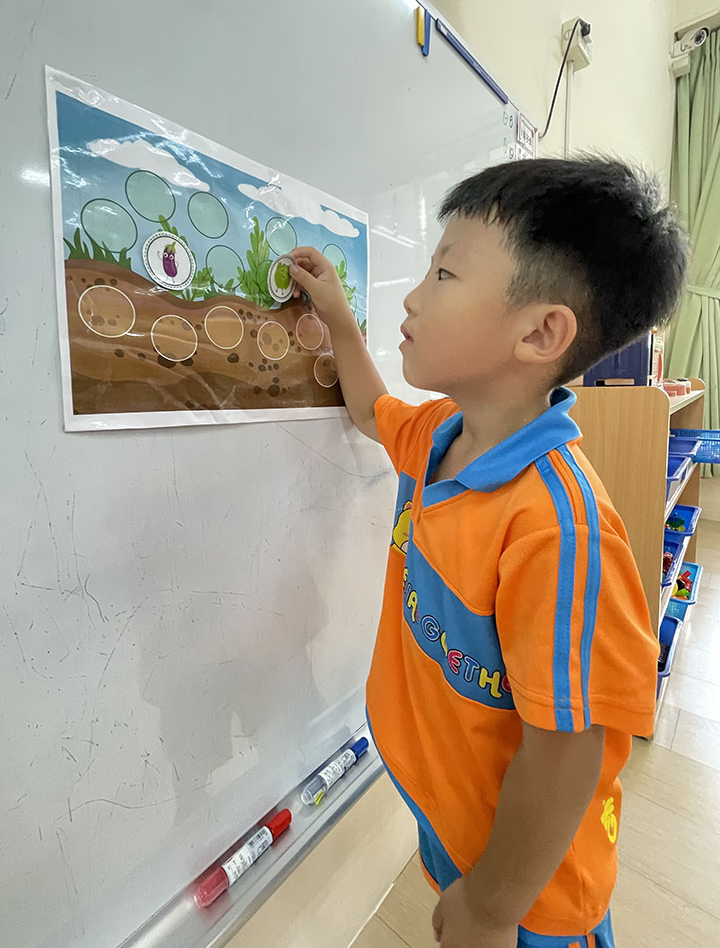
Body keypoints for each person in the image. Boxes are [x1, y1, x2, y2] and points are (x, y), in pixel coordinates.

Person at [288, 156, 688, 948]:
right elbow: (371, 410)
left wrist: (495, 907)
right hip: (463, 822)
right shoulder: (442, 434)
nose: (413, 296)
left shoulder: (559, 530)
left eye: (444, 274)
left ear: (540, 333)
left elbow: (565, 752)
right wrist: (336, 320)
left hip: (535, 887)